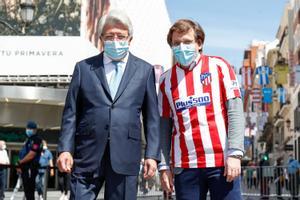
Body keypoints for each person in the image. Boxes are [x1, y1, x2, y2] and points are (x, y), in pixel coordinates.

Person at [57, 9, 160, 200]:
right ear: (101, 38)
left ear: (130, 39)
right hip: (86, 154)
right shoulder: (84, 68)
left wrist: (152, 155)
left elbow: (152, 118)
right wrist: (65, 149)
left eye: (120, 36)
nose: (115, 40)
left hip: (125, 155)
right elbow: (71, 112)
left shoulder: (145, 71)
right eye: (109, 36)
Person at [158, 19, 244, 200]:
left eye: (187, 42)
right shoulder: (166, 80)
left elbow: (235, 112)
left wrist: (235, 153)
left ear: (199, 43)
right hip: (185, 167)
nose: (182, 47)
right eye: (176, 43)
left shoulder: (220, 67)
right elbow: (164, 127)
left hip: (222, 163)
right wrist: (164, 166)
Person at [17, 121, 43, 200]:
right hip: (25, 167)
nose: (28, 130)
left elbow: (32, 154)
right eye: (27, 128)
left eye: (30, 128)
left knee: (29, 190)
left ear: (35, 130)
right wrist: (19, 164)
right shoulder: (28, 140)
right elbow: (23, 153)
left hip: (30, 167)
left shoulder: (36, 140)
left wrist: (20, 162)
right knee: (26, 190)